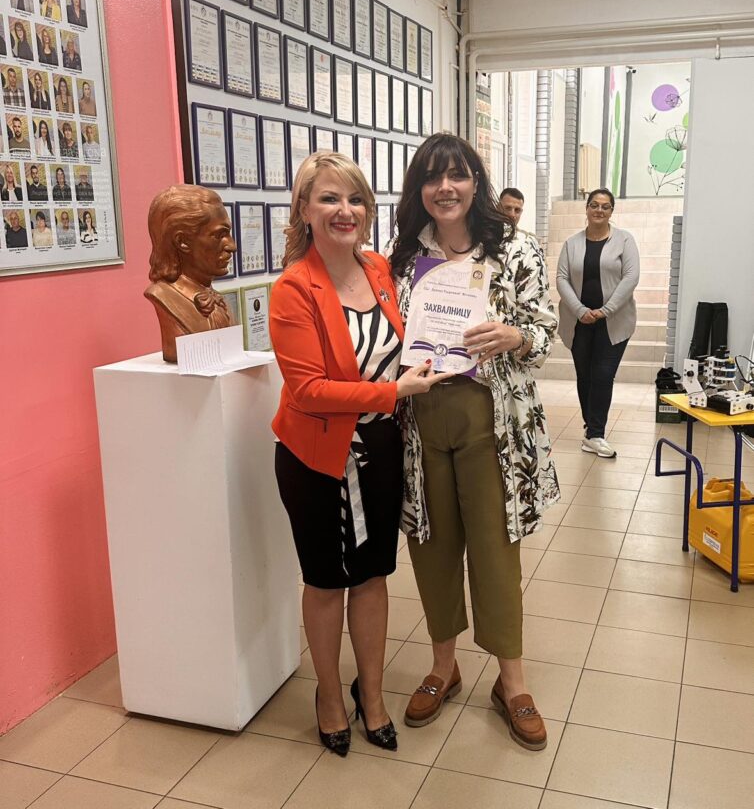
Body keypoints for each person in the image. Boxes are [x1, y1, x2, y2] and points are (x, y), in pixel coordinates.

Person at [269, 151, 450, 759]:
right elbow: (309, 390)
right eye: (329, 198)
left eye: (355, 200)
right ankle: (328, 696)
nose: (344, 210)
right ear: (304, 209)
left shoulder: (378, 269)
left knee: (373, 577)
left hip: (380, 447)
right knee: (326, 583)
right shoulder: (293, 288)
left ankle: (370, 693)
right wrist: (394, 392)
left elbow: (403, 343)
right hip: (317, 457)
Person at [390, 133, 558, 752]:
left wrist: (515, 336)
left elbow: (545, 331)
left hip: (492, 418)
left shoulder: (513, 248)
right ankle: (444, 666)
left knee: (494, 548)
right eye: (432, 178)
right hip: (421, 418)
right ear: (419, 189)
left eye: (457, 175)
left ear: (475, 182)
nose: (445, 188)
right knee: (430, 544)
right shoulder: (404, 257)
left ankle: (512, 682)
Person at [556, 188, 640, 458]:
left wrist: (606, 310)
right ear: (587, 208)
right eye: (594, 205)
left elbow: (631, 277)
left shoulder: (625, 241)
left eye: (605, 206)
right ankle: (591, 428)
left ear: (611, 211)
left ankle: (595, 433)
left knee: (603, 375)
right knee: (585, 376)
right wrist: (580, 310)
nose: (599, 210)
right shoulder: (571, 243)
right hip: (578, 321)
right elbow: (561, 278)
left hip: (613, 321)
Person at [144, 185, 237, 361]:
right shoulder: (164, 297)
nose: (232, 246)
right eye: (219, 235)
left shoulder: (219, 301)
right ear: (182, 242)